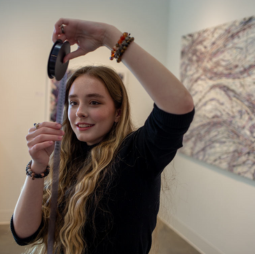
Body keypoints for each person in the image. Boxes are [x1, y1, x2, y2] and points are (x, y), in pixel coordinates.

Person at [10, 18, 195, 254]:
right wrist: (37, 166)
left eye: (94, 102)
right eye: (73, 102)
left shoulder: (136, 155)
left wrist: (109, 36)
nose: (80, 113)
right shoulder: (66, 156)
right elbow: (24, 234)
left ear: (117, 112)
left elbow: (178, 105)